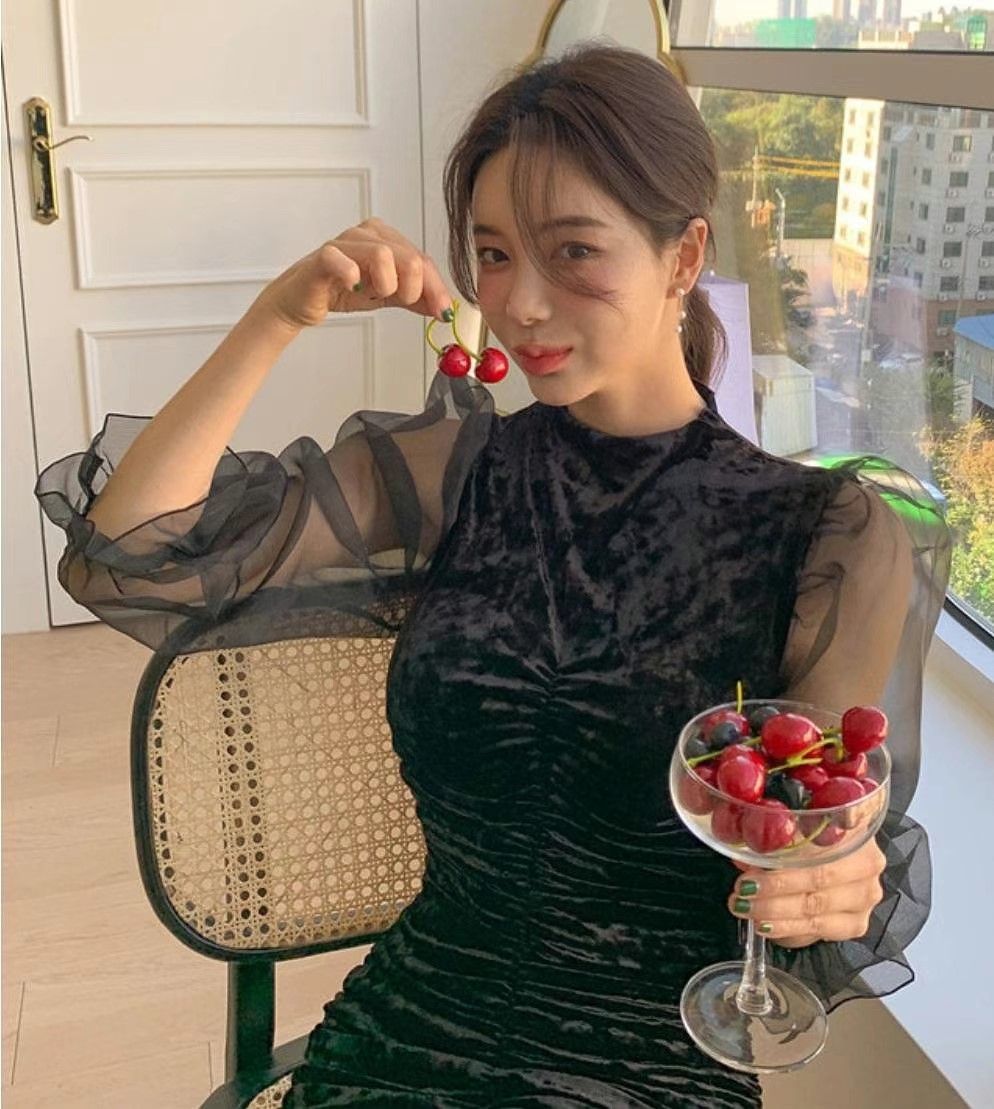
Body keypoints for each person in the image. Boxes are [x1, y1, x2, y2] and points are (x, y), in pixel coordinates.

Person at [36, 44, 950, 1108]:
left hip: (650, 1065)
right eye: (493, 255)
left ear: (684, 255)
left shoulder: (823, 534)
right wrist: (281, 313)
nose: (521, 304)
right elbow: (134, 553)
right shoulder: (452, 471)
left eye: (573, 251)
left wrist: (834, 877)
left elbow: (819, 818)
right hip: (404, 1038)